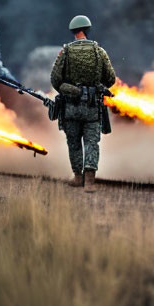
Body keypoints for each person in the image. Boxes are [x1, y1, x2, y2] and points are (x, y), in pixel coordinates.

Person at [50, 15, 116, 192]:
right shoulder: (98, 51)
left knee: (74, 142)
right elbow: (110, 78)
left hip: (71, 108)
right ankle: (89, 181)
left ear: (73, 32)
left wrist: (72, 90)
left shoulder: (65, 52)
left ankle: (77, 177)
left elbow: (55, 80)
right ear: (87, 30)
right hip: (92, 108)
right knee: (91, 143)